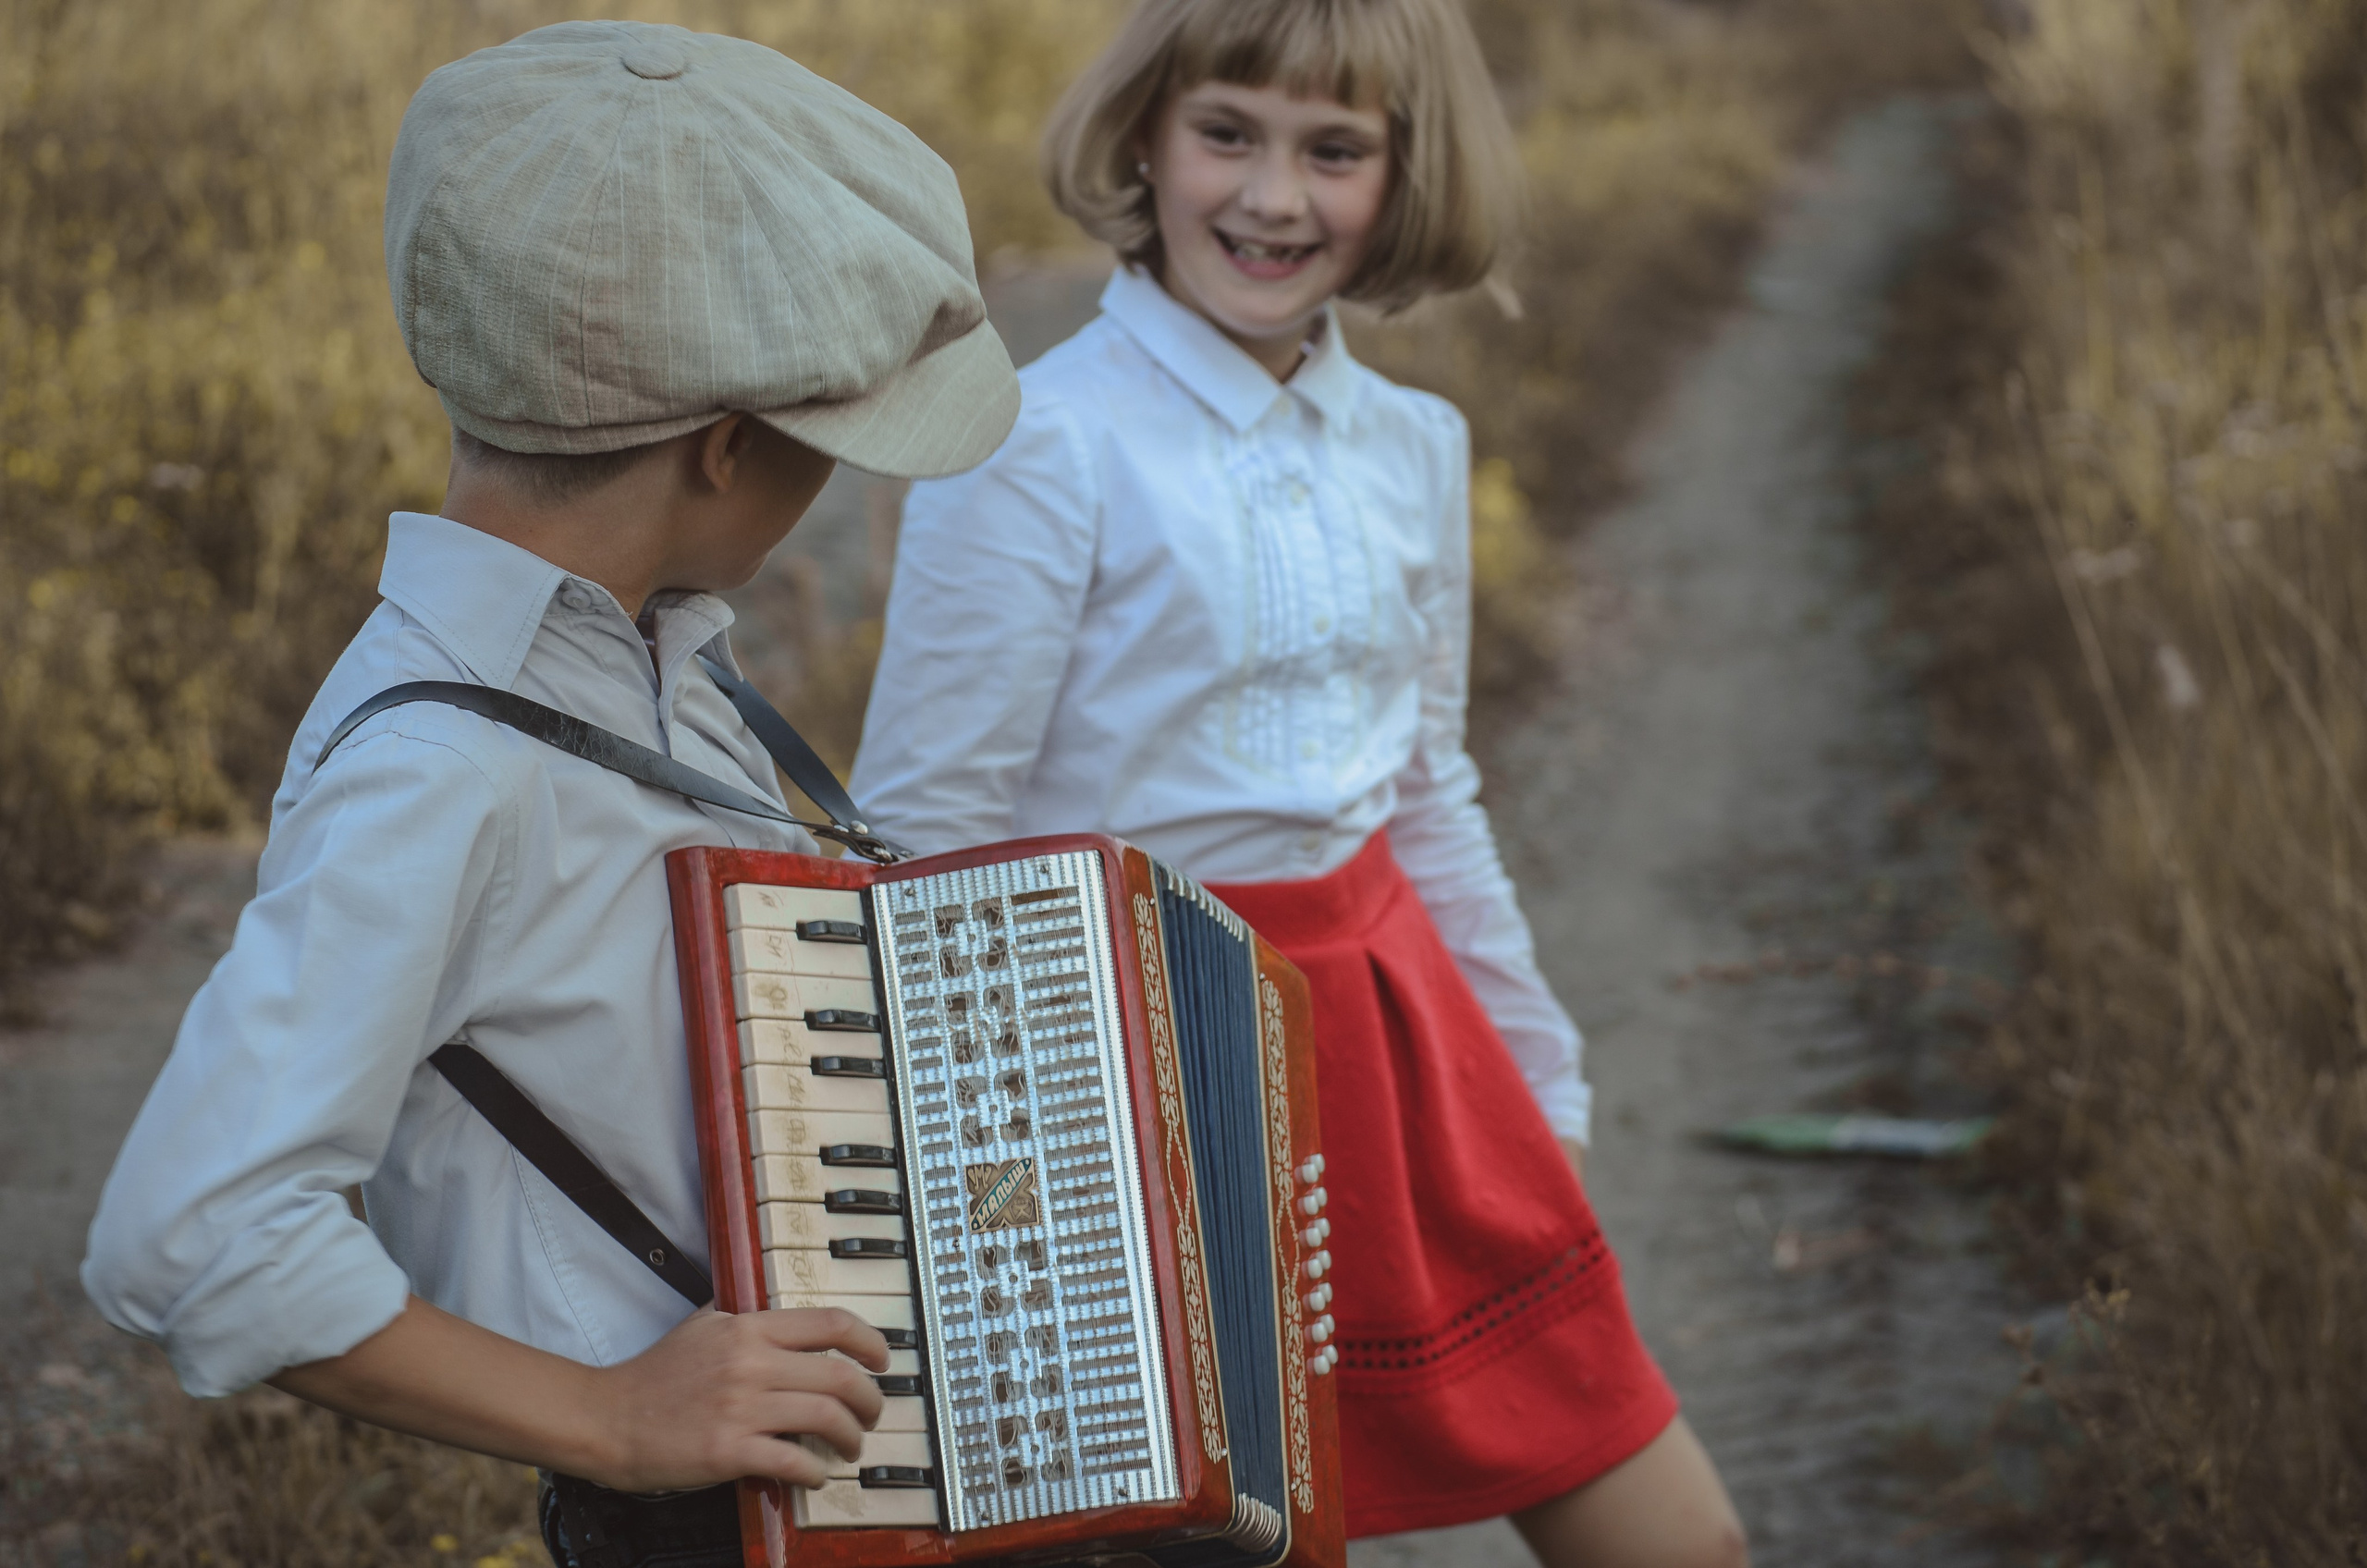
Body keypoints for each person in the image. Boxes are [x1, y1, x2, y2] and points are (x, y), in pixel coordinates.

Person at [80, 22, 1018, 1568]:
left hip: (844, 1462)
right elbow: (192, 1240)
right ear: (726, 448)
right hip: (696, 1522)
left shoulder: (644, 661)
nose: (843, 479)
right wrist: (616, 1421)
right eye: (835, 444)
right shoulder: (439, 773)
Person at [846, 2, 1747, 1562]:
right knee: (1247, 1541)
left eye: (1333, 152)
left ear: (1402, 178)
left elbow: (1425, 791)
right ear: (1147, 135)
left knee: (1678, 1537)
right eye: (1229, 135)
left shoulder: (1412, 444)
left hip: (1401, 1045)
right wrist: (992, 1208)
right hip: (1150, 1069)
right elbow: (927, 842)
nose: (1272, 198)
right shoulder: (1039, 442)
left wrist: (1540, 1072)